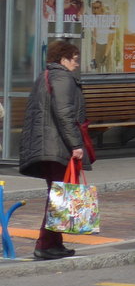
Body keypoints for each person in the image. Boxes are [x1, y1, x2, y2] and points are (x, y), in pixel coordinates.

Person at [19, 40, 89, 260]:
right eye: (75, 60)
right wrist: (76, 145)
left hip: (47, 145)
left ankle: (55, 243)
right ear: (64, 59)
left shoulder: (46, 76)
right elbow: (64, 114)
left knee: (58, 195)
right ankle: (45, 244)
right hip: (56, 147)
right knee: (58, 198)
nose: (77, 65)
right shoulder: (62, 78)